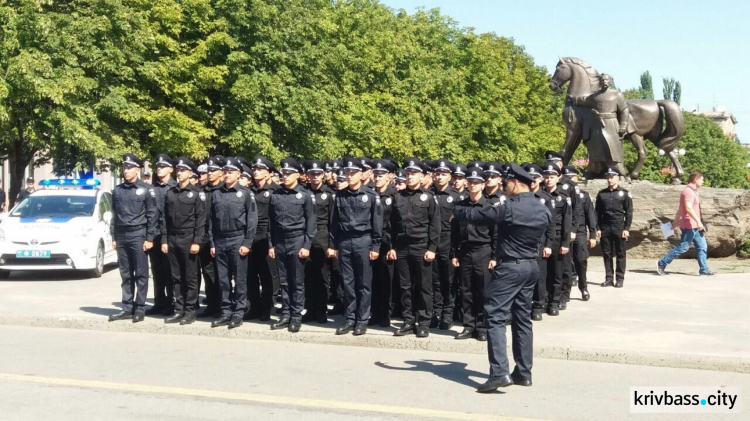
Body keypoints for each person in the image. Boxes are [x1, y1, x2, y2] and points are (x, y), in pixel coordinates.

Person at [453, 164, 552, 392]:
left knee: (494, 316)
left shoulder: (509, 207)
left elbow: (480, 216)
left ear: (516, 183)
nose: (503, 186)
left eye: (506, 182)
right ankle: (523, 372)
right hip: (530, 267)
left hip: (510, 268)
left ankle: (499, 373)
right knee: (522, 319)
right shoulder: (542, 208)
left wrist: (457, 211)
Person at [331, 158, 383, 336]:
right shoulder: (340, 195)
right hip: (345, 241)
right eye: (348, 173)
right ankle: (350, 318)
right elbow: (335, 223)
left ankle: (362, 320)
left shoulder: (370, 195)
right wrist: (334, 244)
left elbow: (377, 222)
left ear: (361, 174)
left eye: (353, 173)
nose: (350, 176)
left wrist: (375, 246)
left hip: (364, 240)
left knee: (364, 283)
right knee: (348, 283)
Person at [390, 158, 440, 338]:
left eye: (414, 174)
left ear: (421, 176)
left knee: (424, 287)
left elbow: (435, 225)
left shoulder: (428, 197)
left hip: (421, 247)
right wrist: (392, 247)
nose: (410, 177)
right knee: (405, 286)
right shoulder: (398, 196)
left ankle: (424, 322)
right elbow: (391, 225)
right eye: (408, 173)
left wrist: (432, 248)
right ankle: (408, 321)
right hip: (402, 247)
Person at [208, 157, 258, 329]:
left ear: (238, 174)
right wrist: (212, 243)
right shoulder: (216, 193)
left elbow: (252, 220)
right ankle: (225, 311)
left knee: (240, 279)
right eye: (226, 172)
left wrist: (247, 243)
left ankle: (238, 312)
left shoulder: (245, 193)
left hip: (238, 239)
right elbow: (211, 220)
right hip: (220, 239)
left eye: (231, 172)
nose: (227, 175)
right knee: (223, 279)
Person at [269, 158, 316, 333]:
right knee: (284, 281)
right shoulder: (276, 194)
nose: (285, 176)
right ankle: (286, 314)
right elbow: (271, 223)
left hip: (297, 240)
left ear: (297, 174)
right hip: (280, 240)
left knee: (296, 280)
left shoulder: (304, 195)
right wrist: (271, 244)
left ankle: (296, 316)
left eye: (289, 174)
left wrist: (306, 244)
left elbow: (311, 221)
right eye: (284, 174)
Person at [108, 154, 158, 323]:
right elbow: (114, 215)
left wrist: (149, 238)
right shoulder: (118, 190)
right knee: (126, 274)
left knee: (141, 273)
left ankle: (140, 307)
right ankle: (127, 307)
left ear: (138, 169)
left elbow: (152, 215)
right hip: (122, 235)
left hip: (139, 234)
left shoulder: (146, 189)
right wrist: (114, 236)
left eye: (130, 168)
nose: (126, 171)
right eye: (124, 168)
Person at [161, 157, 207, 325]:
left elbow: (201, 219)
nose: (180, 173)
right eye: (178, 170)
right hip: (172, 237)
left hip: (188, 238)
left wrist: (197, 241)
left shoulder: (196, 193)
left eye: (183, 171)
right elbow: (164, 218)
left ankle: (190, 310)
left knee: (190, 276)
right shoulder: (170, 193)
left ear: (190, 173)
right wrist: (164, 239)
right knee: (176, 276)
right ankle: (178, 309)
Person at [453, 168, 496, 341]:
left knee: (483, 290)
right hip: (465, 251)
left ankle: (482, 326)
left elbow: (496, 234)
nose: (472, 185)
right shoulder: (460, 206)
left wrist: (494, 257)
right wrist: (454, 253)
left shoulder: (489, 207)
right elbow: (454, 232)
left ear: (483, 184)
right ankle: (468, 326)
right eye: (470, 182)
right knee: (466, 290)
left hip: (483, 251)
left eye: (476, 182)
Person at [569, 74, 632, 178]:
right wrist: (573, 98)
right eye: (602, 80)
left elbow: (624, 110)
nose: (604, 81)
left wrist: (623, 125)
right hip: (597, 126)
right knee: (596, 149)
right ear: (599, 81)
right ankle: (595, 170)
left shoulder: (617, 94)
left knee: (614, 150)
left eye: (606, 79)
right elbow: (584, 100)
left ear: (610, 81)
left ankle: (619, 172)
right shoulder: (595, 96)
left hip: (611, 124)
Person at [657, 171, 716, 276]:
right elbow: (687, 208)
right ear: (695, 179)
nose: (703, 181)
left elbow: (680, 209)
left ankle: (704, 269)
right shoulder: (688, 191)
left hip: (696, 225)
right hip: (690, 224)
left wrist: (675, 223)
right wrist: (698, 221)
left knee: (702, 247)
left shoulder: (694, 191)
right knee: (683, 247)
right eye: (702, 179)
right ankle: (662, 263)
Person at [246, 156, 281, 321]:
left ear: (270, 173)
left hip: (266, 236)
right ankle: (254, 306)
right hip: (249, 236)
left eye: (260, 169)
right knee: (250, 274)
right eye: (255, 169)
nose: (256, 172)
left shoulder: (275, 191)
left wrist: (272, 242)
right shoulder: (248, 190)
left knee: (267, 275)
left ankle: (267, 307)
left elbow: (276, 218)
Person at [302, 159, 335, 324]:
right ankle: (310, 309)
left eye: (318, 174)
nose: (315, 177)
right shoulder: (302, 192)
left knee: (322, 276)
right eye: (312, 174)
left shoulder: (328, 194)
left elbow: (332, 221)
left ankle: (322, 311)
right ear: (307, 175)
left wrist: (331, 245)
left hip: (322, 236)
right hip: (305, 237)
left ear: (323, 175)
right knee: (307, 276)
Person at [430, 158, 461, 330]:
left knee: (448, 281)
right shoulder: (428, 193)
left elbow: (458, 225)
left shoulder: (456, 197)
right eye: (438, 174)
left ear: (449, 177)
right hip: (432, 243)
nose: (440, 177)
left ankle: (448, 314)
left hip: (448, 243)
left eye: (444, 174)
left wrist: (455, 250)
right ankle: (436, 312)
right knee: (434, 280)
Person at [146, 154, 178, 316]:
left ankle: (172, 303)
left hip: (170, 235)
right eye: (157, 167)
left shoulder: (175, 188)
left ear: (170, 169)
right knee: (157, 271)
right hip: (154, 235)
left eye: (162, 167)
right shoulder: (152, 188)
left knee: (170, 271)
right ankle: (159, 301)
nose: (159, 169)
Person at [540, 163, 572, 316]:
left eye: (551, 177)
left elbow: (567, 221)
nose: (548, 180)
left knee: (557, 272)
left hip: (559, 238)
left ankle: (555, 302)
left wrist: (566, 243)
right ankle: (544, 300)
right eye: (546, 177)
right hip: (542, 238)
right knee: (544, 272)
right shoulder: (539, 196)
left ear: (558, 177)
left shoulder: (564, 198)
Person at [563, 166, 598, 301]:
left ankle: (583, 287)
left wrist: (593, 235)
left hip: (580, 232)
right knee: (565, 263)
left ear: (576, 178)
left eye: (570, 178)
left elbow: (591, 216)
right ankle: (565, 292)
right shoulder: (562, 195)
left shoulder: (584, 195)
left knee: (580, 260)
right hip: (565, 232)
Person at [370, 159, 398, 327]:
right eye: (376, 175)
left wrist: (394, 246)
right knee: (373, 280)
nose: (378, 178)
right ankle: (375, 312)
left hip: (387, 242)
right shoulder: (368, 193)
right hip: (371, 242)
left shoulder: (394, 195)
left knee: (387, 280)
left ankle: (386, 314)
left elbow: (396, 223)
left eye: (381, 175)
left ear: (389, 177)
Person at [196, 156, 225, 318]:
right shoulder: (203, 190)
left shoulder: (223, 190)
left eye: (214, 171)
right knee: (208, 272)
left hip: (220, 237)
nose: (210, 174)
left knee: (222, 274)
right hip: (204, 237)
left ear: (221, 172)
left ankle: (223, 306)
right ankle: (212, 304)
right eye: (209, 171)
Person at [595, 167, 633, 288]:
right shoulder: (602, 194)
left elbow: (629, 212)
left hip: (619, 226)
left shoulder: (624, 193)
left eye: (612, 177)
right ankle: (609, 278)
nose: (610, 179)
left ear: (617, 177)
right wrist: (597, 228)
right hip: (605, 226)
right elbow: (597, 212)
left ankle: (620, 278)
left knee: (620, 253)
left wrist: (626, 228)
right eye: (608, 177)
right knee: (607, 253)